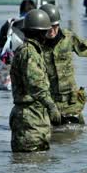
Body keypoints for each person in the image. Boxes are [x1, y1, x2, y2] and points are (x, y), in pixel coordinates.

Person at [39, 4, 87, 124]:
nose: (52, 30)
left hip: (70, 101)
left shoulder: (68, 38)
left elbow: (85, 47)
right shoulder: (36, 44)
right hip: (48, 101)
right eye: (48, 26)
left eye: (55, 26)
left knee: (77, 134)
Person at [9, 9, 62, 152]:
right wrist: (51, 106)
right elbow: (36, 84)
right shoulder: (29, 52)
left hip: (34, 117)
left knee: (38, 165)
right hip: (29, 119)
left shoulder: (30, 50)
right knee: (31, 166)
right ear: (41, 33)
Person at [0, 0, 37, 91]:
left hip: (9, 64)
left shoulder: (9, 23)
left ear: (20, 10)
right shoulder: (36, 24)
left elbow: (0, 45)